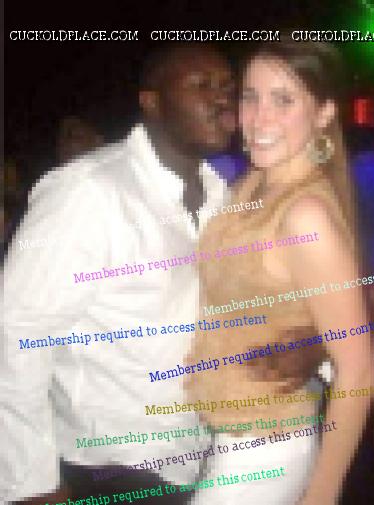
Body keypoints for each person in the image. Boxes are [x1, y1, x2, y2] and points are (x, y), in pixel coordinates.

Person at [1, 44, 235, 504]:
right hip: (106, 464)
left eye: (228, 87)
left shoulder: (220, 197)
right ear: (152, 102)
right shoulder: (90, 191)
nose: (222, 98)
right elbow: (17, 332)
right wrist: (30, 483)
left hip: (195, 456)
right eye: (201, 85)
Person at [186, 40, 374, 505]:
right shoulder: (254, 183)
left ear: (324, 113)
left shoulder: (304, 215)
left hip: (265, 450)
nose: (259, 118)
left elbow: (358, 370)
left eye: (283, 99)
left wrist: (322, 492)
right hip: (225, 435)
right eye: (250, 97)